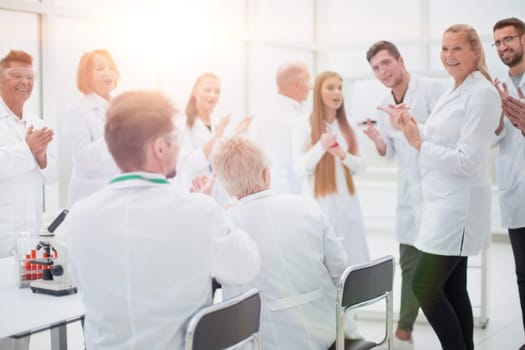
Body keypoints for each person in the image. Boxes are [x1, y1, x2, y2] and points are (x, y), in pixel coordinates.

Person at [60, 90, 261, 350]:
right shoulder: (198, 211)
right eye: (176, 140)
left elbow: (80, 281)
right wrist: (210, 210)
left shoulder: (79, 217)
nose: (180, 149)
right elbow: (245, 267)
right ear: (159, 147)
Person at [387, 24, 500, 350]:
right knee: (452, 289)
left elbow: (467, 159)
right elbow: (444, 135)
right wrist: (411, 125)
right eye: (445, 48)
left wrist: (418, 143)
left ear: (476, 52)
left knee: (424, 287)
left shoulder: (481, 93)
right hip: (443, 201)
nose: (449, 56)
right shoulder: (458, 87)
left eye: (457, 49)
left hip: (457, 207)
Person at [200, 136, 347, 349]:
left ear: (225, 186)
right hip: (327, 337)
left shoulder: (224, 227)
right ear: (266, 174)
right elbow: (339, 270)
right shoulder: (306, 207)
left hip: (261, 341)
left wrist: (206, 209)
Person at [364, 40, 445, 347]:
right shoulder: (384, 105)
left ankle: (426, 330)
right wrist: (376, 139)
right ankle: (404, 331)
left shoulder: (431, 91)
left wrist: (411, 123)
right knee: (408, 263)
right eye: (375, 68)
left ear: (400, 59)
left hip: (437, 190)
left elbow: (446, 133)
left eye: (386, 63)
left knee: (435, 270)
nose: (382, 71)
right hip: (409, 195)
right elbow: (390, 151)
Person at [0, 49, 56, 350]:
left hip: (30, 237)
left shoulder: (37, 121)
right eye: (16, 75)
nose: (25, 82)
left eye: (30, 77)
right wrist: (27, 150)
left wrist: (42, 156)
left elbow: (53, 174)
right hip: (1, 233)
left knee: (26, 315)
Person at [292, 70, 369, 265]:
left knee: (351, 261)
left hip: (347, 202)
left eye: (340, 88)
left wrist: (342, 155)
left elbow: (360, 167)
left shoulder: (349, 125)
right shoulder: (303, 124)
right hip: (318, 202)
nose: (337, 93)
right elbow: (300, 167)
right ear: (319, 92)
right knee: (322, 260)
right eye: (330, 87)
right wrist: (321, 147)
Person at [492, 17, 525, 350]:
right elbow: (487, 140)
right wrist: (499, 122)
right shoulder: (496, 87)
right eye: (498, 42)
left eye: (509, 39)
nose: (504, 47)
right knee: (523, 276)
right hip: (516, 196)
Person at [174, 72, 251, 201]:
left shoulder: (218, 122)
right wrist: (218, 134)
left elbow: (226, 157)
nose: (213, 95)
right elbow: (188, 164)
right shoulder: (183, 124)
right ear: (194, 92)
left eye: (217, 91)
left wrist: (238, 133)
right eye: (207, 90)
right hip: (194, 192)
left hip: (220, 193)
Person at [61, 49, 120, 205]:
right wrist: (114, 133)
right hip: (90, 197)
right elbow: (83, 160)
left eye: (111, 68)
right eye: (100, 69)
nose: (108, 72)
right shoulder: (76, 110)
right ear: (86, 76)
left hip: (118, 195)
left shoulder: (120, 107)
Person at [252, 62, 311, 194]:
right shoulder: (276, 116)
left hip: (298, 195)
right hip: (286, 198)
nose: (311, 87)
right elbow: (278, 170)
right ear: (296, 84)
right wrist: (287, 207)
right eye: (308, 81)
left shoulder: (294, 112)